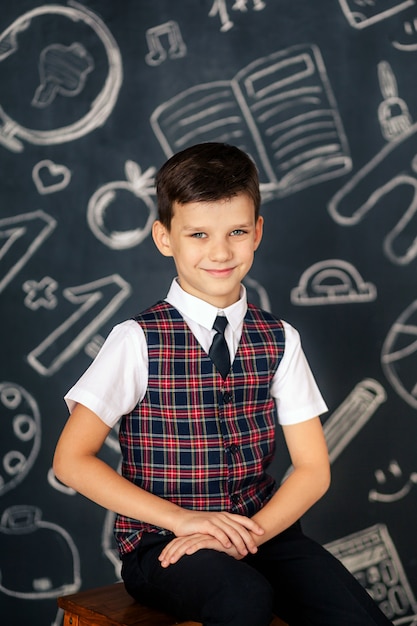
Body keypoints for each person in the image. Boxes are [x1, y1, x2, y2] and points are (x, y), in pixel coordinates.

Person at [53, 142, 393, 626]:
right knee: (242, 597)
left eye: (236, 231)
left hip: (263, 531)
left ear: (257, 232)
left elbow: (314, 469)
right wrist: (186, 522)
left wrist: (247, 533)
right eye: (198, 234)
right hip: (164, 546)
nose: (220, 252)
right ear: (164, 237)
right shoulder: (136, 340)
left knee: (356, 616)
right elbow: (71, 461)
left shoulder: (279, 338)